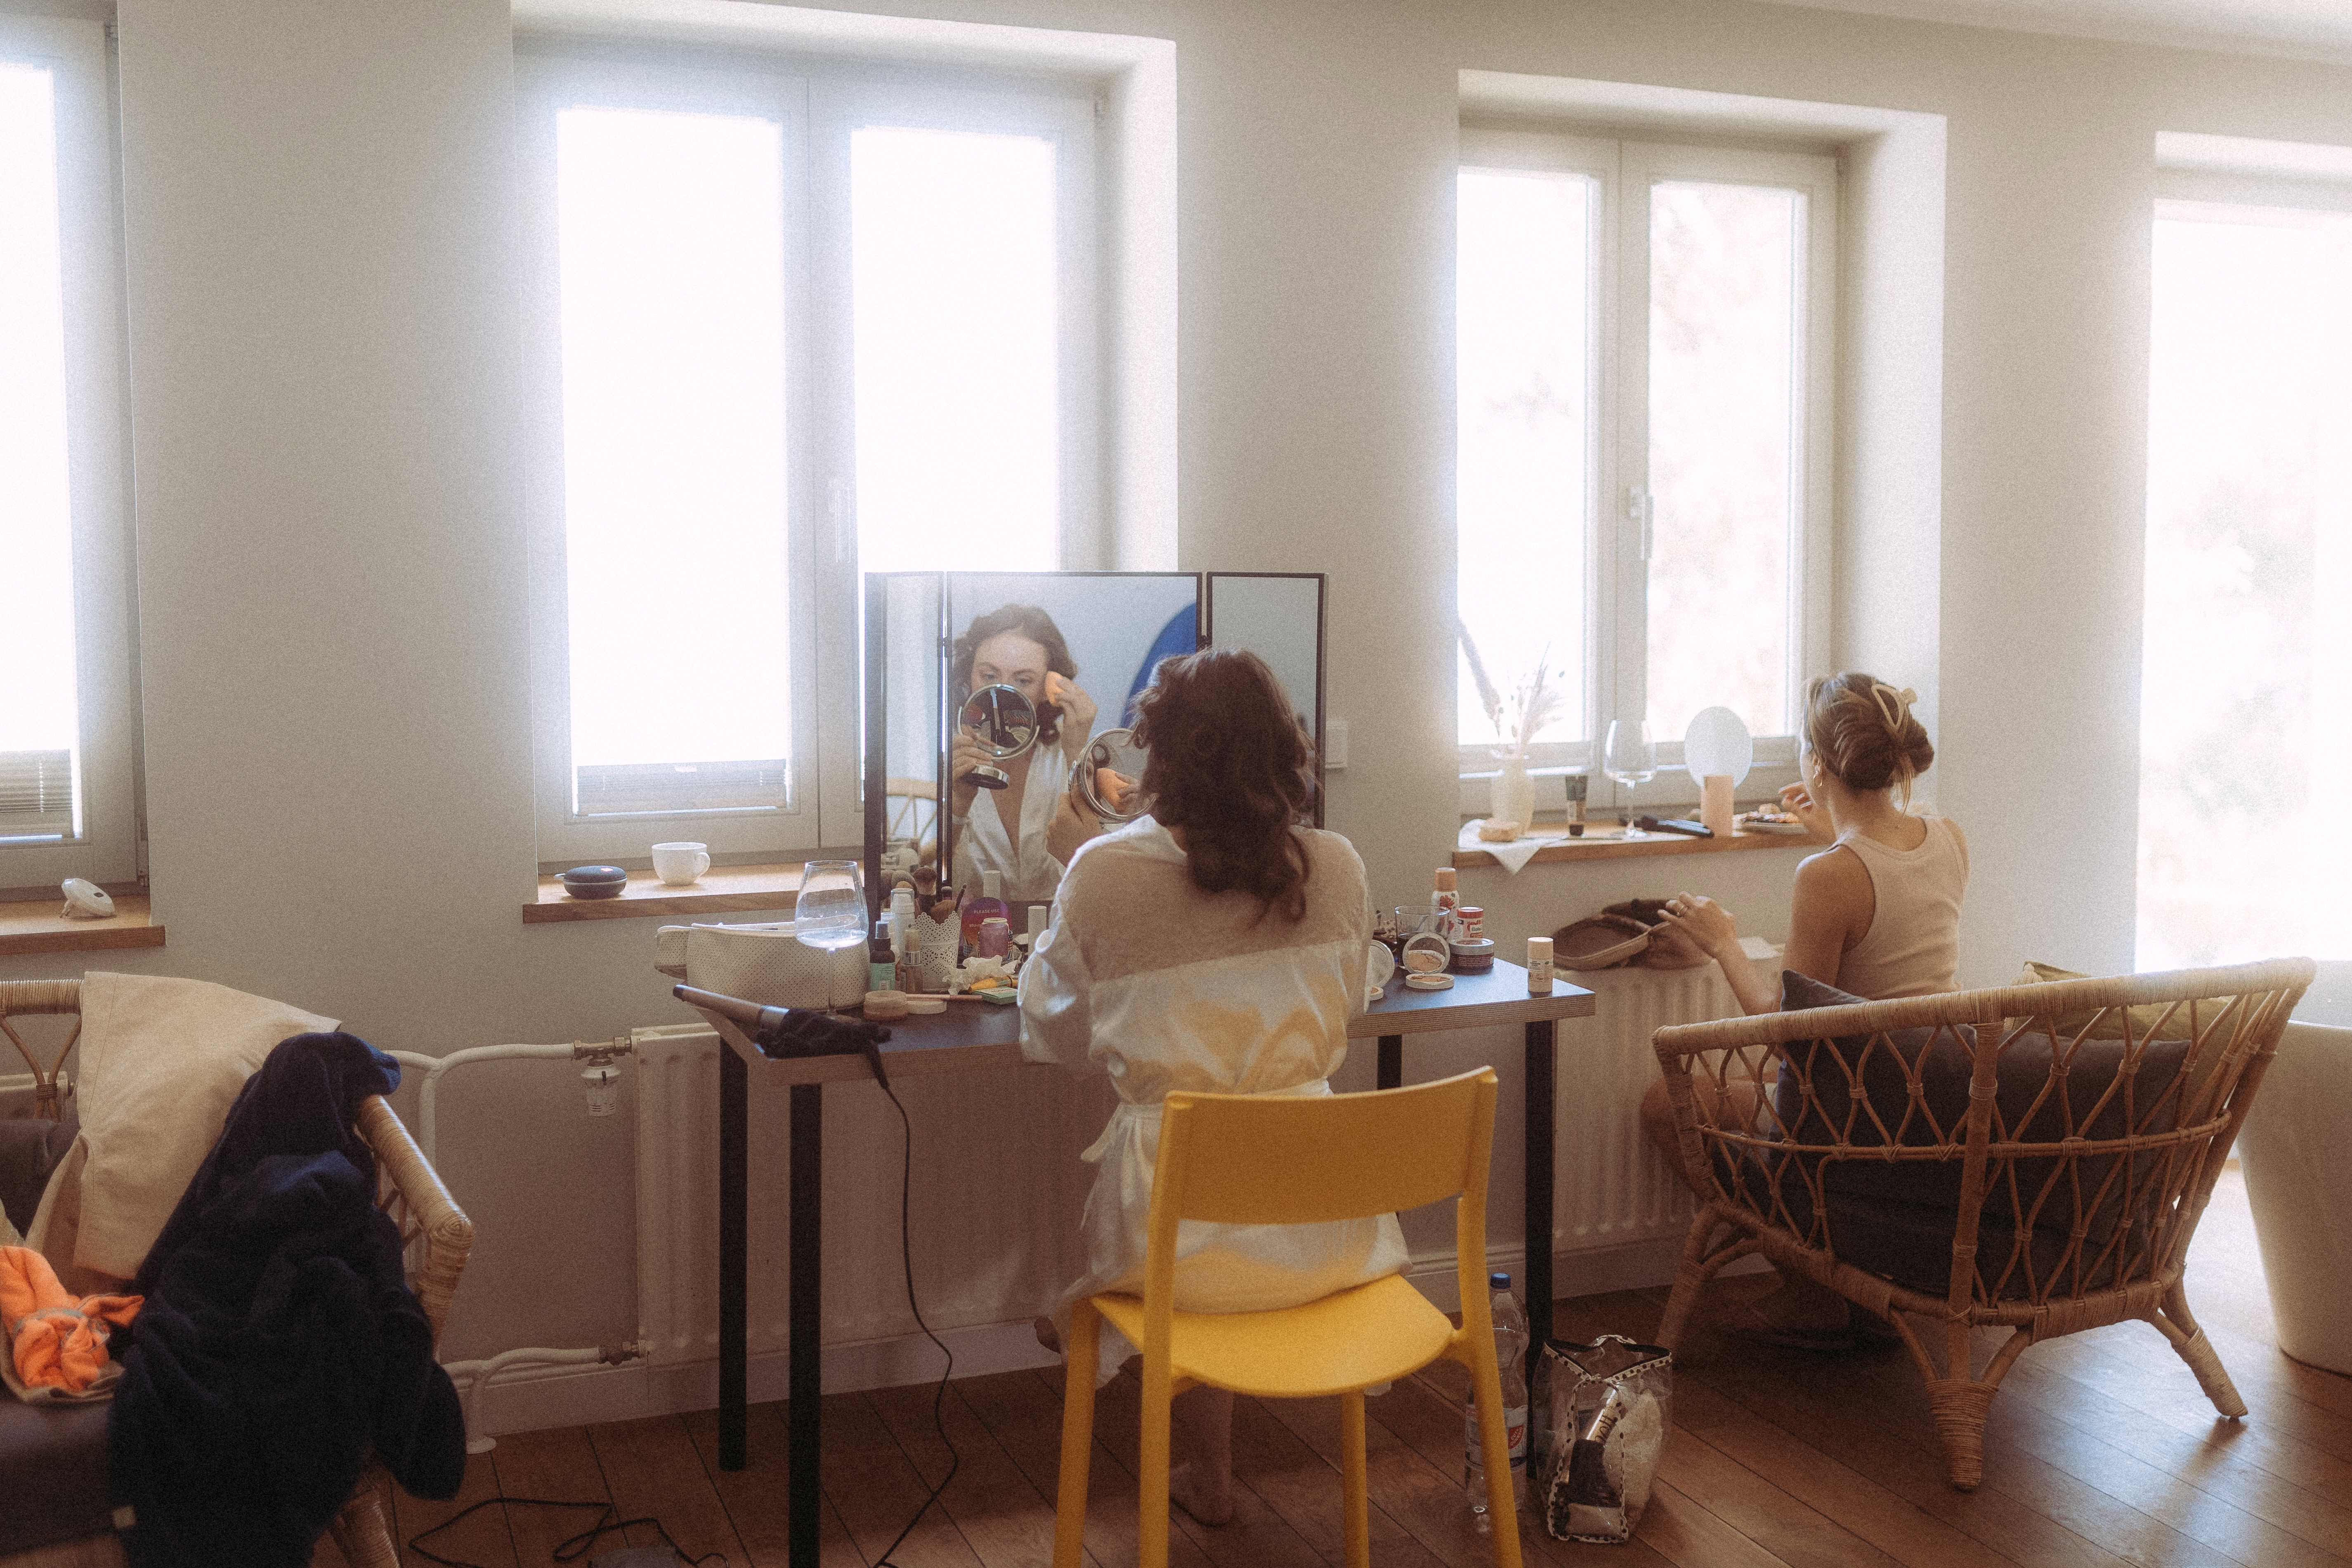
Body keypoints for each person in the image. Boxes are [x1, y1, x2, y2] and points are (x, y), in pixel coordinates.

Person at [1018, 648, 1403, 1528]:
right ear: (1285, 751)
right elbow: (1348, 1002)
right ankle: (1211, 1471)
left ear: (1160, 752)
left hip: (1174, 1255)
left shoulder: (1103, 874)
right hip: (1327, 1241)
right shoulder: (1338, 865)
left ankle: (1194, 1452)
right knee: (1236, 1190)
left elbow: (1054, 1035)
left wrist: (1082, 871)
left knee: (1191, 1221)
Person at [1640, 673, 1967, 1348]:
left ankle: (1813, 1289)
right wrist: (1835, 832)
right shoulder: (1949, 839)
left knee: (1667, 1104)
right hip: (1936, 1097)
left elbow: (1785, 1035)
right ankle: (1843, 1285)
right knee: (1743, 1093)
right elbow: (1888, 897)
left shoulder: (1827, 876)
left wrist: (1724, 943)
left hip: (1860, 1112)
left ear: (1818, 765)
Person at [947, 604, 1110, 900]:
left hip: (1062, 923)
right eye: (988, 675)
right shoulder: (955, 756)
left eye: (1023, 681)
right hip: (979, 927)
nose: (1002, 694)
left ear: (1049, 688)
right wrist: (958, 803)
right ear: (968, 677)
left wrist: (1077, 754)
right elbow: (937, 883)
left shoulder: (1070, 752)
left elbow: (1104, 874)